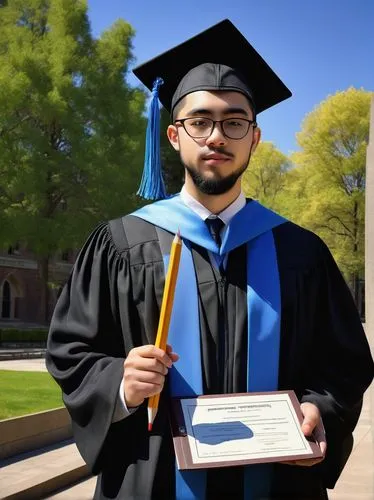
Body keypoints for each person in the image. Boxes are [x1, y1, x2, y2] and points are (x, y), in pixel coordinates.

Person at [46, 19, 374, 500]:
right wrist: (120, 380)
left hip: (278, 481)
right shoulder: (120, 245)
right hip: (154, 479)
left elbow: (342, 363)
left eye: (234, 121)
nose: (216, 136)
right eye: (199, 121)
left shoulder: (301, 252)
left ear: (255, 138)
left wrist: (320, 410)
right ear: (175, 136)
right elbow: (71, 351)